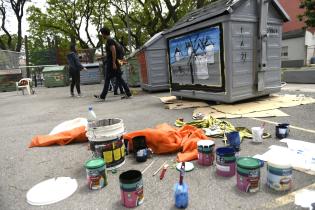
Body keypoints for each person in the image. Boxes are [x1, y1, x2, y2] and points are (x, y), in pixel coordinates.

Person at [94, 27, 132, 101]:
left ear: (104, 33)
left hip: (112, 63)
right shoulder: (111, 40)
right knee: (119, 78)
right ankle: (128, 93)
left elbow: (113, 51)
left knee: (108, 78)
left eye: (102, 34)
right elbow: (110, 53)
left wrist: (113, 63)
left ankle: (102, 96)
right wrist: (102, 57)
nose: (102, 36)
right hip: (114, 62)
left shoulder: (109, 41)